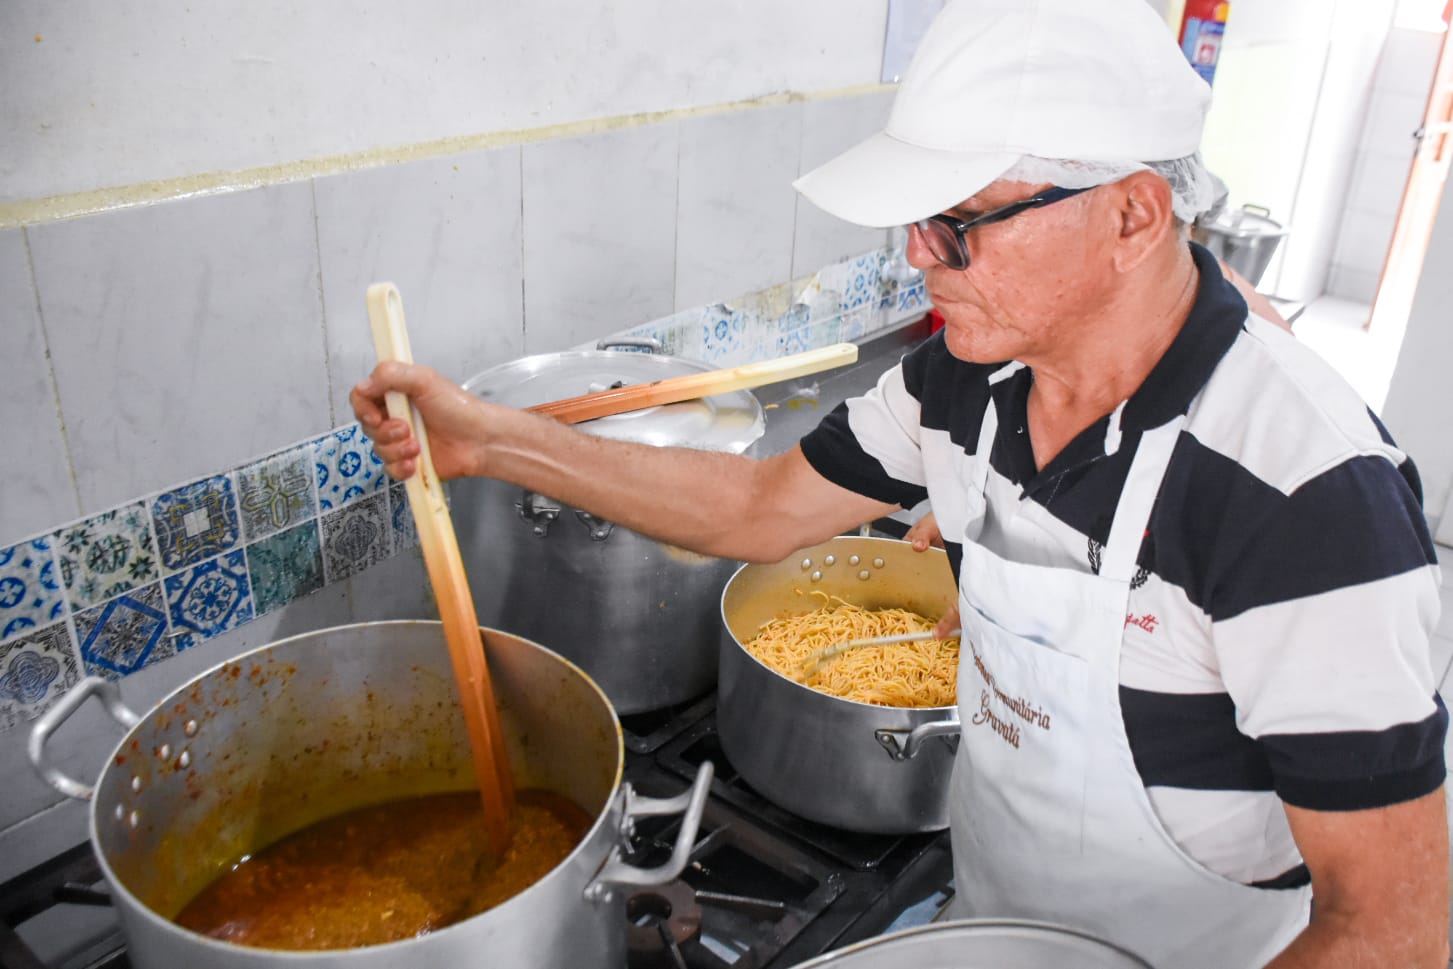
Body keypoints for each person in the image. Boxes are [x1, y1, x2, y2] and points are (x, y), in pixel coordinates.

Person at [351, 0, 1448, 965]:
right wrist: (493, 442)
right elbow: (759, 507)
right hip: (994, 922)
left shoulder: (1307, 497)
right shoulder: (965, 382)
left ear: (1131, 215)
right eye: (916, 219)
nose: (917, 256)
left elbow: (1394, 931)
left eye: (957, 225)